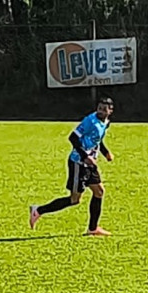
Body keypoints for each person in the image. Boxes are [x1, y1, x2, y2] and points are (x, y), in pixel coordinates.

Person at [29, 97, 115, 236]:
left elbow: (97, 139)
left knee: (99, 192)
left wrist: (105, 152)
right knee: (74, 200)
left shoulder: (106, 122)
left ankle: (93, 228)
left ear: (110, 111)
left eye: (104, 109)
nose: (100, 111)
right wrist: (85, 157)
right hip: (78, 163)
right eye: (99, 108)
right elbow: (73, 138)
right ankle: (38, 210)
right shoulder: (89, 121)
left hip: (90, 163)